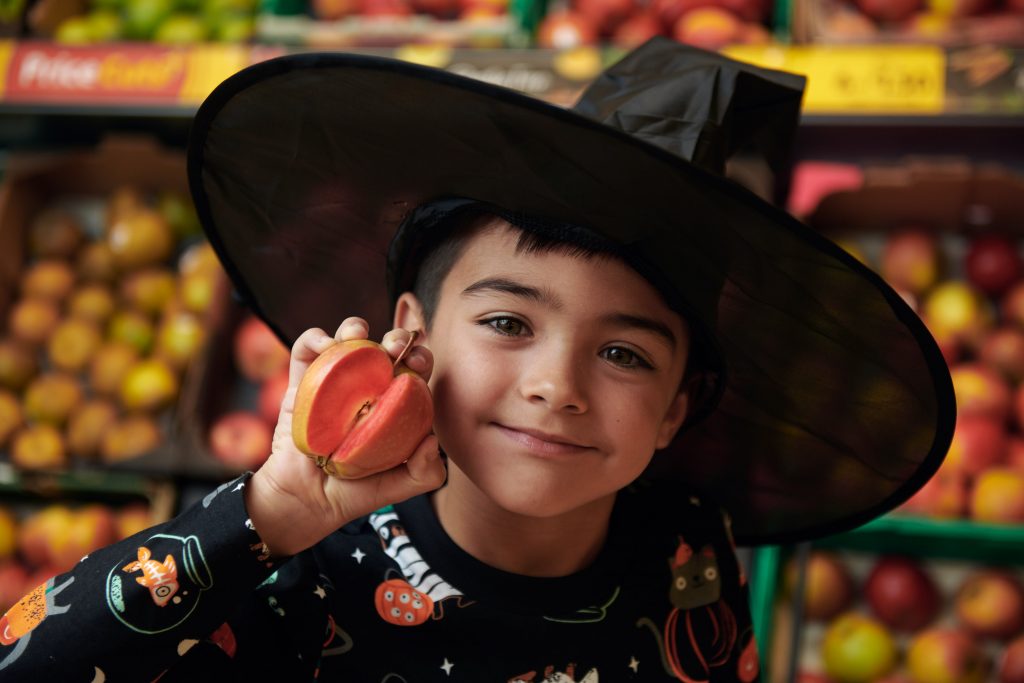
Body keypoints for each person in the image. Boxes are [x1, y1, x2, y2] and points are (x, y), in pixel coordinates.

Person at [0, 38, 954, 681]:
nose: (556, 385)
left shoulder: (688, 545)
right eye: (507, 322)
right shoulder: (295, 565)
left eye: (623, 351)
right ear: (410, 334)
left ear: (675, 409)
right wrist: (274, 511)